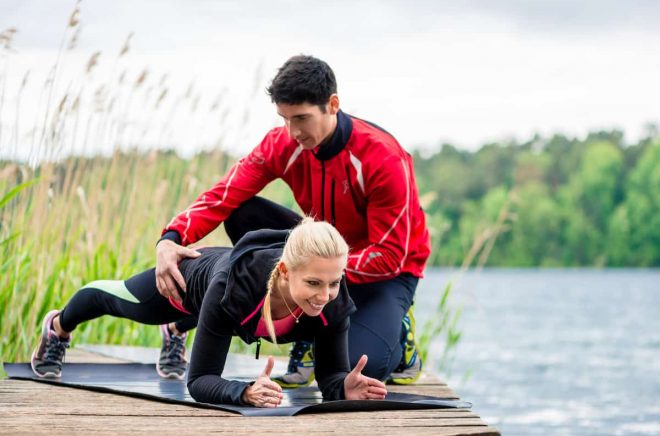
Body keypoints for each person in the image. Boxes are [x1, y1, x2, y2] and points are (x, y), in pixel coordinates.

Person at [156, 55, 431, 386]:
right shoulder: (283, 143)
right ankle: (311, 315)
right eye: (284, 118)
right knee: (244, 210)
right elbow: (223, 195)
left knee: (363, 370)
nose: (293, 131)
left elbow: (389, 256)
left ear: (332, 104)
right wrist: (171, 238)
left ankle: (398, 329)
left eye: (302, 118)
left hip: (385, 273)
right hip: (319, 262)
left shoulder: (383, 159)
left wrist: (312, 273)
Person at [31, 219, 388, 407]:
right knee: (118, 299)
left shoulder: (333, 301)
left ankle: (176, 332)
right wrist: (244, 392)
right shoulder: (232, 290)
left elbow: (329, 376)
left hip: (222, 307)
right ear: (284, 272)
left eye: (333, 282)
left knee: (220, 319)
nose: (325, 295)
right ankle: (58, 326)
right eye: (313, 283)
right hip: (189, 284)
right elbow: (200, 381)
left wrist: (343, 386)